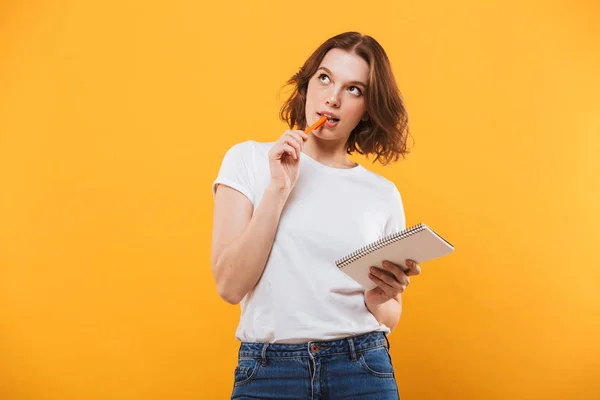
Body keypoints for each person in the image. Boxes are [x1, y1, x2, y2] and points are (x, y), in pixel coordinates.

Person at [211, 31, 421, 400]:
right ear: (307, 85)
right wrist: (278, 189)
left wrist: (379, 295)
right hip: (268, 373)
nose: (333, 98)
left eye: (354, 89)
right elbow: (229, 286)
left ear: (368, 108)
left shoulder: (382, 194)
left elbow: (389, 317)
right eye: (325, 78)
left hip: (362, 368)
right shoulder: (249, 160)